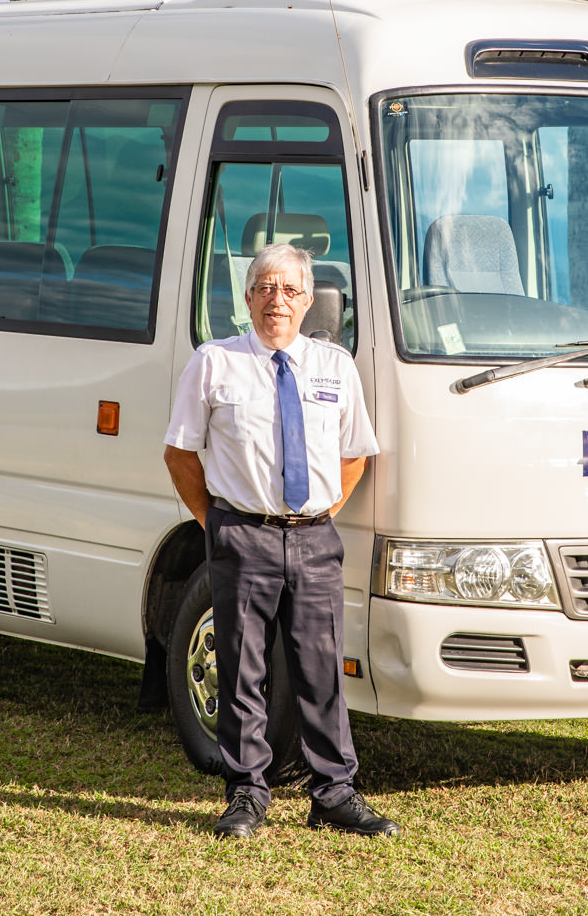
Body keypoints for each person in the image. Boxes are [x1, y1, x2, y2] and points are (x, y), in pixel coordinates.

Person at [163, 241, 399, 839]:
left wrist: (317, 516)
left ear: (309, 300)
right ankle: (246, 794)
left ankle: (334, 794)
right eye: (266, 289)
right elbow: (180, 451)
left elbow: (354, 456)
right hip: (243, 537)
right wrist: (215, 520)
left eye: (290, 290)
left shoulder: (334, 365)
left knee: (321, 670)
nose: (278, 300)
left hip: (316, 540)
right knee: (241, 670)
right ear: (247, 299)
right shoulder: (214, 363)